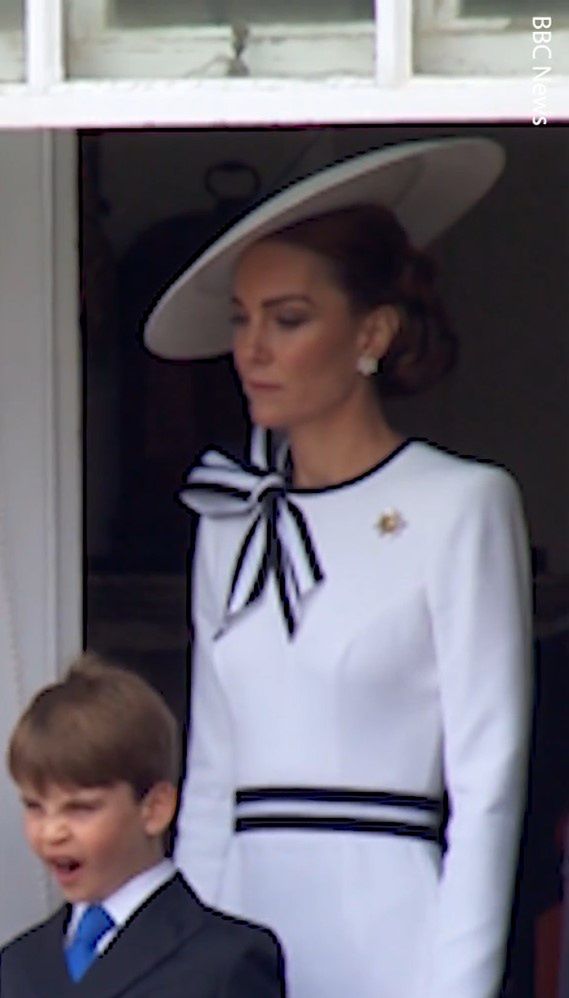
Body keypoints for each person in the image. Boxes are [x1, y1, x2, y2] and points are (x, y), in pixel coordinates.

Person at [144, 138, 533, 998]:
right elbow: (210, 778)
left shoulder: (459, 504)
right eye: (241, 319)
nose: (252, 348)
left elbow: (488, 783)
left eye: (286, 320)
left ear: (371, 333)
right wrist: (182, 973)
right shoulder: (227, 517)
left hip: (388, 932)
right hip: (242, 929)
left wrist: (458, 986)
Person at [0, 654, 286, 997]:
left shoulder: (226, 960)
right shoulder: (18, 963)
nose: (51, 832)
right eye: (35, 807)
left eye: (80, 809)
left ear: (155, 809)